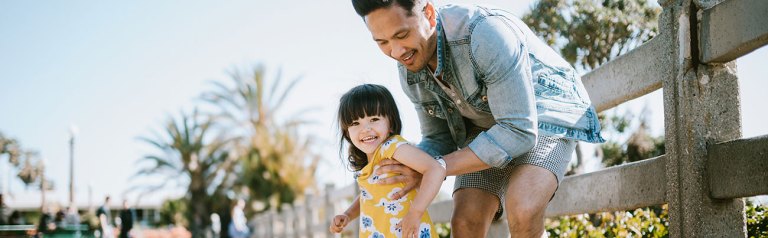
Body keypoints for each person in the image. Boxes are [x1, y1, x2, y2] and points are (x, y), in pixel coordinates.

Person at [349, 1, 605, 237]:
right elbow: (439, 137)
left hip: (543, 115)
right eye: (382, 42)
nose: (396, 51)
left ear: (427, 13)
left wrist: (433, 167)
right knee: (464, 222)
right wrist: (412, 165)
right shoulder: (409, 65)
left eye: (402, 35)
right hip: (484, 127)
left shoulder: (484, 34)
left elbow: (518, 130)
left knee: (523, 206)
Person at [329, 84, 446, 237]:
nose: (365, 129)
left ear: (390, 123)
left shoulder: (392, 147)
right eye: (355, 123)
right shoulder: (371, 161)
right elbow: (369, 194)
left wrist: (415, 213)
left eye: (374, 119)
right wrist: (348, 215)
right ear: (347, 132)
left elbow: (435, 169)